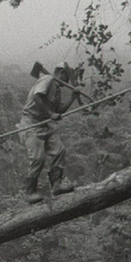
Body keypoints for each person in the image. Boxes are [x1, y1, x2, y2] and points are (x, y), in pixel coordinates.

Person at [19, 62, 80, 204]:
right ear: (61, 73)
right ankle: (30, 192)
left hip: (45, 124)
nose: (67, 81)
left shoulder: (57, 89)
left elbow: (59, 111)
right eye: (67, 76)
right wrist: (50, 113)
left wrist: (72, 97)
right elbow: (37, 96)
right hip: (31, 124)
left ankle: (56, 185)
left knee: (59, 151)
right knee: (38, 158)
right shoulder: (48, 79)